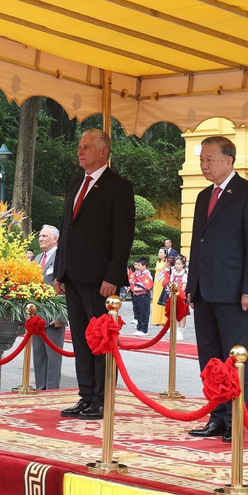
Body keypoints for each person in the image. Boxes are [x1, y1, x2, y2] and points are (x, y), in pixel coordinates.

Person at [186, 135, 248, 443]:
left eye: (210, 159)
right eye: (202, 160)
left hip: (235, 293)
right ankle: (216, 417)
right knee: (210, 359)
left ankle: (235, 419)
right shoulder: (204, 196)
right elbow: (197, 244)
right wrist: (192, 285)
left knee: (235, 358)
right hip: (205, 291)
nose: (204, 165)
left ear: (228, 161)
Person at [53, 128, 135, 422]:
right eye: (79, 147)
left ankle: (102, 398)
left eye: (86, 147)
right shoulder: (77, 182)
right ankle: (86, 395)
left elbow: (123, 236)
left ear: (103, 151)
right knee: (81, 339)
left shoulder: (119, 186)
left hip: (101, 280)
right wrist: (58, 271)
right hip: (73, 276)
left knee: (101, 339)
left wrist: (113, 276)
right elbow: (66, 230)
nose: (79, 151)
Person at [32, 224, 65, 391]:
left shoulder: (62, 257)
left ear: (55, 239)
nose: (41, 238)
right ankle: (40, 388)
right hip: (37, 315)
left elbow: (66, 288)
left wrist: (61, 317)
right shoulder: (37, 258)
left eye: (45, 236)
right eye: (40, 236)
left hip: (53, 315)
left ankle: (52, 391)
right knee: (38, 355)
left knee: (53, 358)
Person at [127, 257, 153, 336]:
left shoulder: (147, 274)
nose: (137, 266)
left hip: (143, 295)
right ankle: (139, 327)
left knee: (144, 312)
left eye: (139, 265)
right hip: (136, 295)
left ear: (144, 266)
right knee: (137, 311)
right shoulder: (137, 273)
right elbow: (133, 280)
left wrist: (136, 288)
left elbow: (147, 285)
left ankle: (144, 329)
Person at [169, 254, 189, 341]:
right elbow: (170, 283)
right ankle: (176, 329)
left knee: (182, 314)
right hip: (173, 296)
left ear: (183, 265)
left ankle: (181, 330)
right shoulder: (173, 273)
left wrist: (179, 292)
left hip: (181, 296)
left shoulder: (184, 274)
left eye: (179, 264)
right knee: (175, 313)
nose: (177, 266)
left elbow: (184, 286)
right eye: (176, 264)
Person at [151, 247, 169, 327]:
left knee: (162, 299)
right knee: (156, 299)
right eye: (159, 252)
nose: (159, 254)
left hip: (162, 281)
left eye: (161, 252)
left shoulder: (166, 263)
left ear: (165, 254)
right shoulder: (158, 262)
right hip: (157, 281)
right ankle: (157, 319)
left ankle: (163, 320)